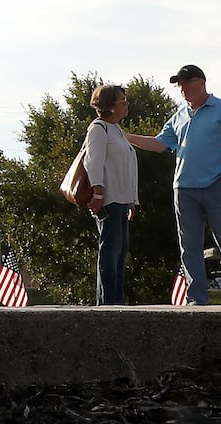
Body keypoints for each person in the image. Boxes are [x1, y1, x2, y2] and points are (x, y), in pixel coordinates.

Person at [125, 64, 221, 305]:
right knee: (189, 247)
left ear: (202, 82)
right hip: (183, 189)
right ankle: (196, 299)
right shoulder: (180, 115)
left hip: (217, 187)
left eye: (186, 83)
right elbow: (159, 144)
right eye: (179, 85)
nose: (182, 89)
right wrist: (125, 136)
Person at [84, 84, 138, 305]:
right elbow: (93, 162)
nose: (126, 105)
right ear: (109, 106)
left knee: (120, 252)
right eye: (122, 101)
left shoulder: (117, 131)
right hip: (109, 200)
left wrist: (133, 201)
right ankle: (107, 303)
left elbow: (127, 167)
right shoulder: (98, 128)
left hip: (122, 201)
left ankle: (117, 300)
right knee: (110, 251)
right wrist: (97, 193)